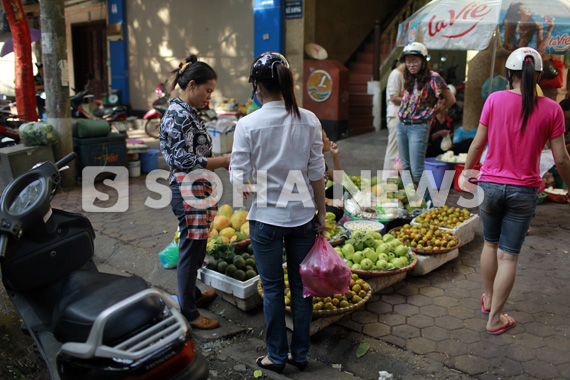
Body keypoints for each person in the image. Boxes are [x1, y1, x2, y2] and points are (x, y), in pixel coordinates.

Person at [459, 47, 570, 335]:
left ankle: (488, 298)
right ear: (540, 75)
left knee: (490, 245)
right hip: (524, 191)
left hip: (490, 186)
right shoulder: (553, 109)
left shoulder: (494, 100)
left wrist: (468, 174)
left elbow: (476, 144)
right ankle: (494, 318)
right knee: (508, 256)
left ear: (509, 74)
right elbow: (561, 159)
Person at [230, 52, 326, 373]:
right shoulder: (309, 119)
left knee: (272, 289)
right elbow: (317, 173)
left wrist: (251, 190)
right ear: (286, 82)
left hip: (265, 221)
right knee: (302, 288)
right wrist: (322, 215)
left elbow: (238, 176)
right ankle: (300, 354)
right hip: (302, 219)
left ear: (257, 86)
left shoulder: (247, 124)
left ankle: (276, 355)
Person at [159, 54, 230, 330]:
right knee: (191, 248)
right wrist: (223, 161)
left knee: (198, 245)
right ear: (191, 85)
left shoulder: (188, 113)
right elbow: (184, 162)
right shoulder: (178, 115)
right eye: (207, 91)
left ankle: (194, 295)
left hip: (197, 188)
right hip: (187, 189)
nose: (209, 97)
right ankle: (188, 311)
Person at [397, 42, 456, 187]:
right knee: (405, 168)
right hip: (402, 125)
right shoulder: (409, 77)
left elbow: (451, 99)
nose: (411, 64)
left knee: (417, 171)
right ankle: (411, 203)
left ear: (423, 61)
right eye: (408, 61)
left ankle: (429, 205)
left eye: (415, 61)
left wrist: (436, 112)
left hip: (418, 127)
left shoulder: (434, 78)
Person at [383, 59, 405, 179]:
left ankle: (394, 177)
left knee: (397, 149)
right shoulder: (396, 74)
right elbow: (393, 97)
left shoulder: (401, 75)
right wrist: (412, 99)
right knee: (393, 148)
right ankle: (387, 178)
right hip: (395, 114)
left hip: (399, 114)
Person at [322, 129, 344, 221]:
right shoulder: (311, 164)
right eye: (326, 137)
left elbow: (339, 179)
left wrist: (335, 155)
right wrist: (329, 201)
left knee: (339, 187)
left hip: (320, 198)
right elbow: (309, 195)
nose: (329, 140)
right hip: (309, 204)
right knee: (337, 211)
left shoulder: (321, 162)